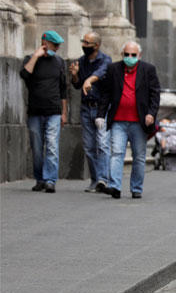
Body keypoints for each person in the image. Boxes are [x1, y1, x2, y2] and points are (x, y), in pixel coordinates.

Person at [95, 41, 161, 199]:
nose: (129, 57)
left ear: (139, 56)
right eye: (126, 54)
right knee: (117, 153)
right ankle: (115, 186)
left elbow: (155, 94)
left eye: (133, 55)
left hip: (139, 121)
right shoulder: (113, 69)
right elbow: (106, 94)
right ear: (122, 55)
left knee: (139, 156)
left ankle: (136, 188)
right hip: (118, 120)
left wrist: (151, 113)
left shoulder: (148, 70)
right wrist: (100, 114)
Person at [20, 30, 68, 193]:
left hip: (53, 110)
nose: (57, 48)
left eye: (58, 45)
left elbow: (63, 89)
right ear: (45, 43)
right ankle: (40, 178)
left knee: (52, 146)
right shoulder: (30, 60)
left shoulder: (60, 62)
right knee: (37, 147)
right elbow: (24, 74)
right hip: (35, 111)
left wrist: (64, 112)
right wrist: (36, 56)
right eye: (55, 45)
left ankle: (50, 180)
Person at [69, 31, 112, 193]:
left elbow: (101, 73)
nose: (84, 45)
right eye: (83, 42)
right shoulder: (82, 61)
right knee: (88, 146)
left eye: (87, 43)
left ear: (96, 45)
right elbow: (77, 84)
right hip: (86, 107)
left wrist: (89, 80)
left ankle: (103, 179)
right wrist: (75, 76)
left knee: (102, 143)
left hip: (101, 108)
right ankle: (95, 180)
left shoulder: (105, 60)